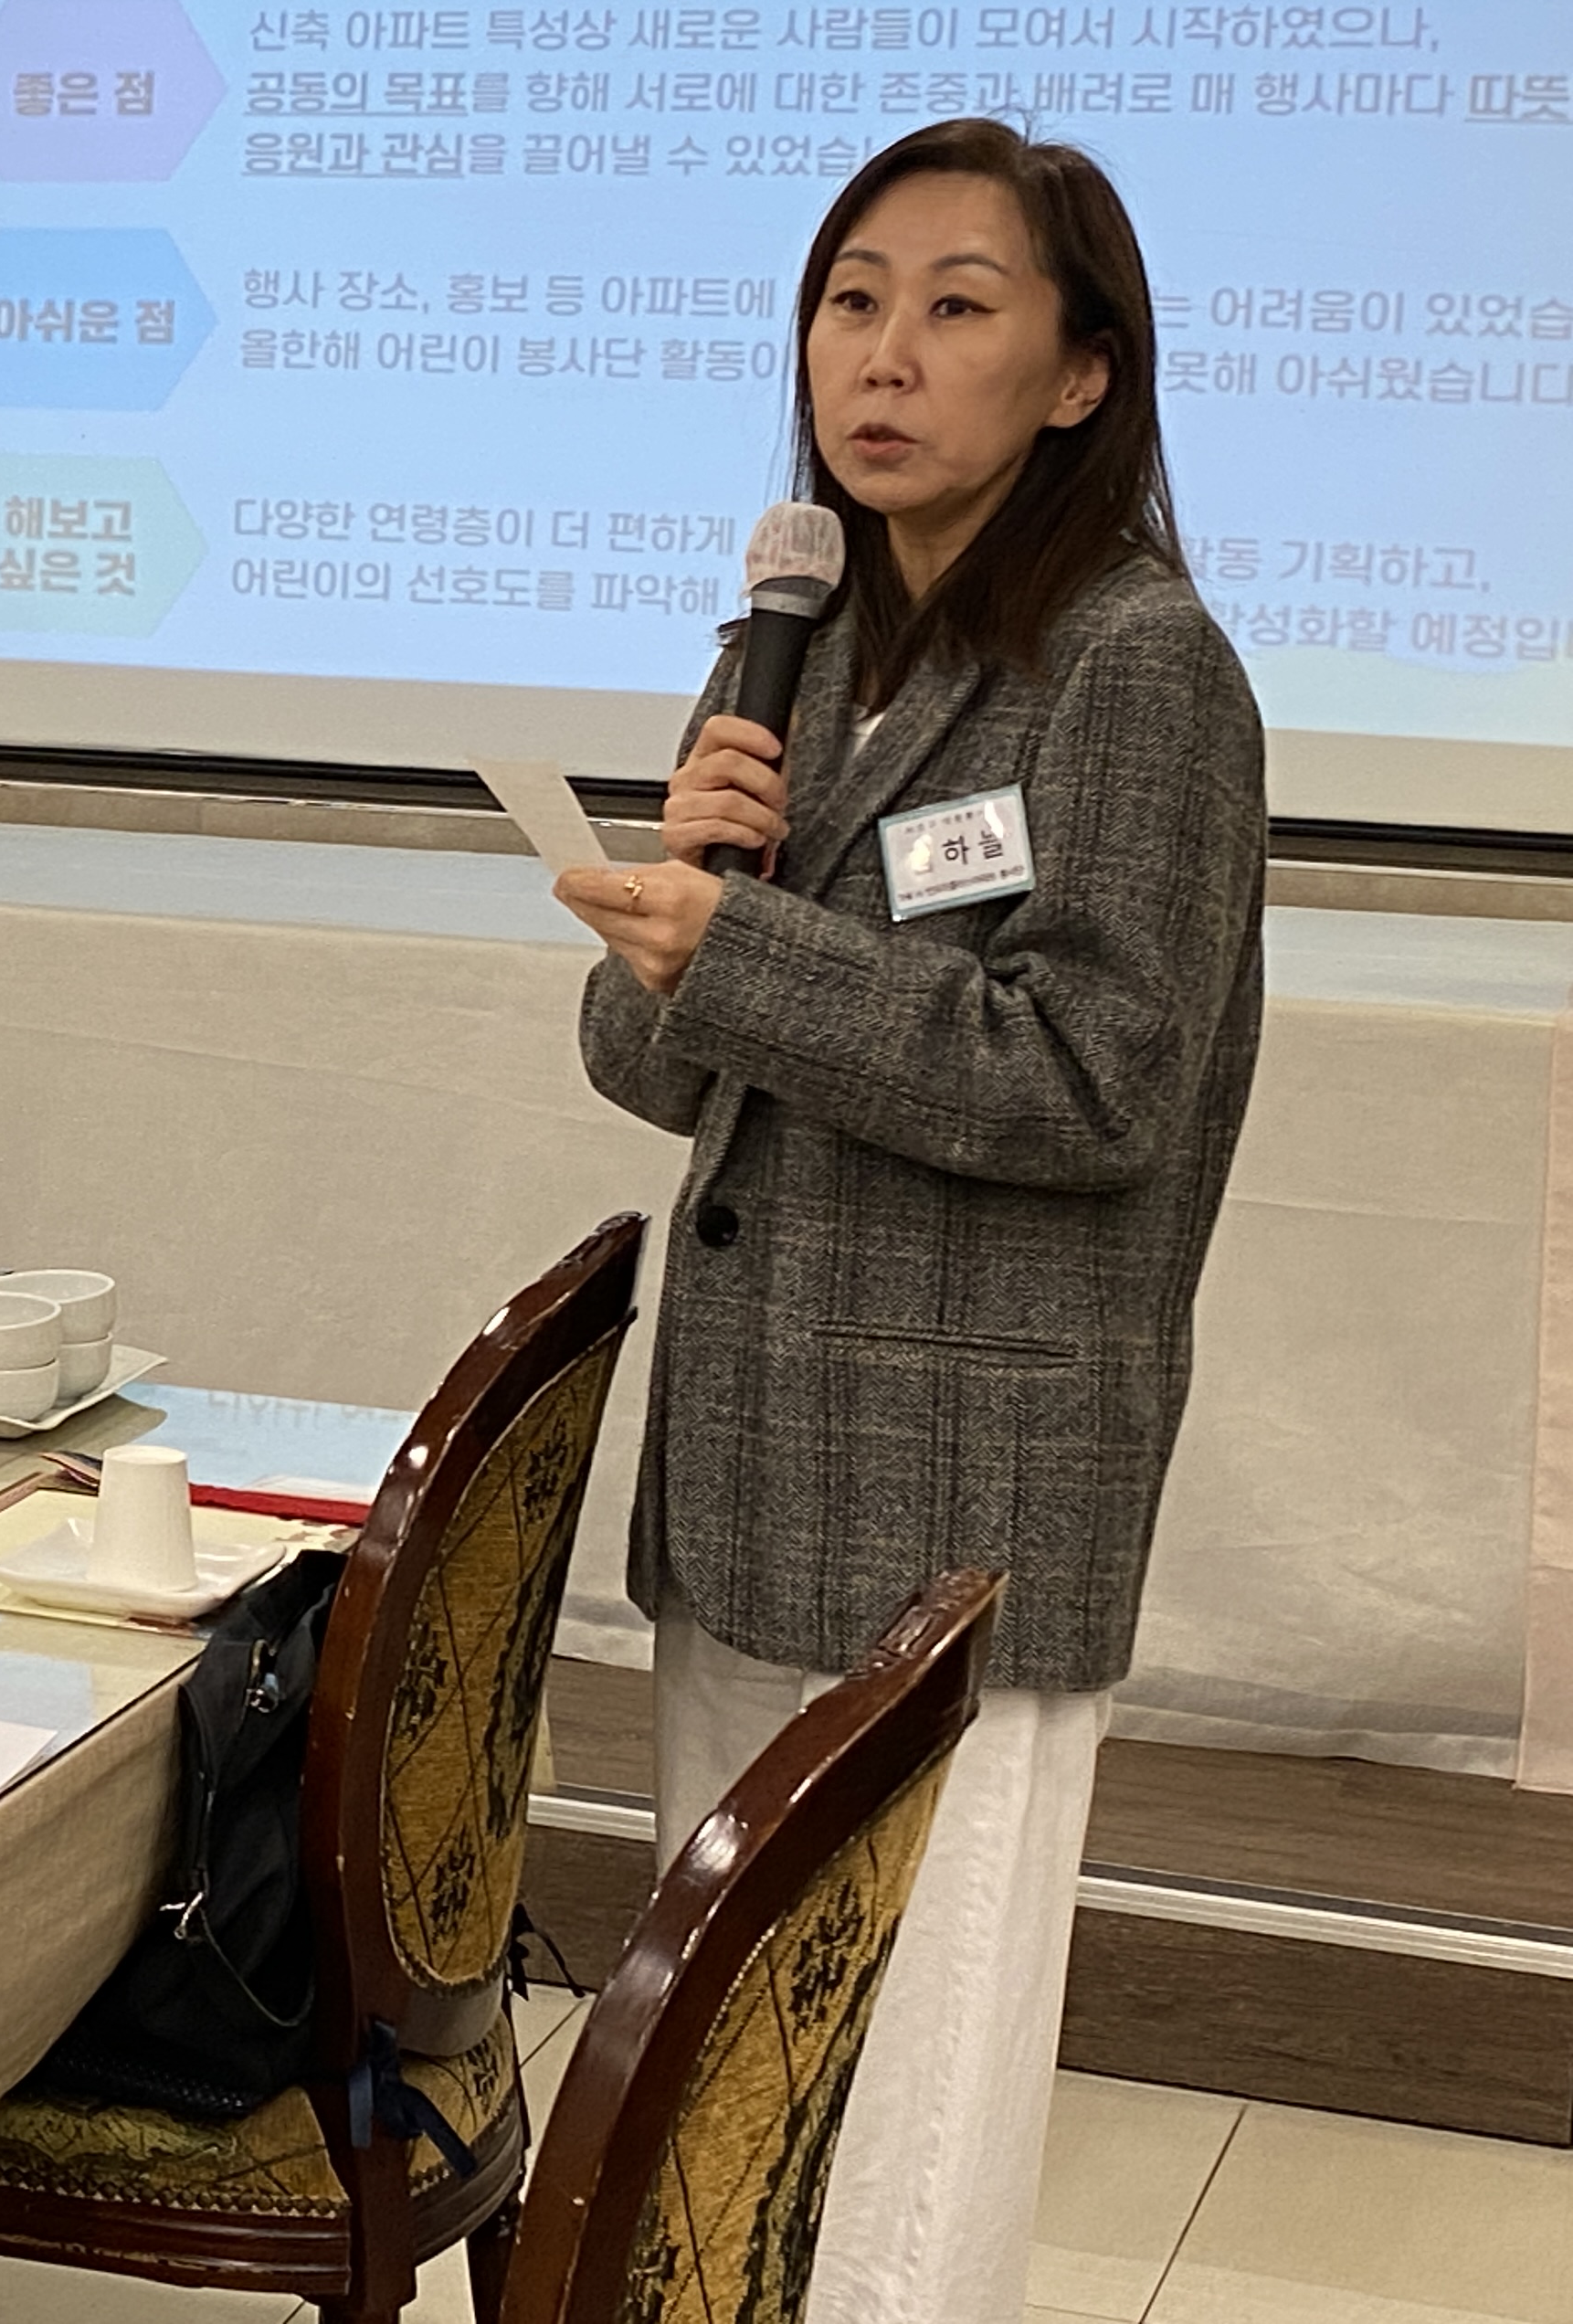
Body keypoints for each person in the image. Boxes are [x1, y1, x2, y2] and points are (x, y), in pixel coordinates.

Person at [555, 119, 1266, 2324]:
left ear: (1081, 374)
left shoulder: (1135, 665)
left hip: (969, 1488)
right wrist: (691, 895)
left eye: (959, 305)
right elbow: (658, 1064)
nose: (884, 353)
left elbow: (1099, 1079)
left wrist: (750, 955)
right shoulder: (793, 640)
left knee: (901, 2110)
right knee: (727, 2076)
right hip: (753, 1460)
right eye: (851, 300)